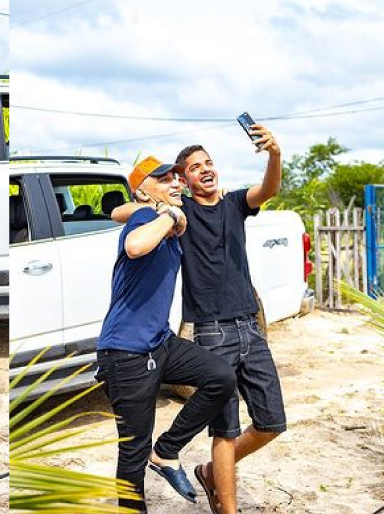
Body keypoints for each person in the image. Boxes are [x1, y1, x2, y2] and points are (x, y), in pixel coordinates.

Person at [114, 124, 285, 514]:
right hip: (210, 331)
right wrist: (166, 207)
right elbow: (119, 212)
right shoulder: (179, 213)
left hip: (250, 327)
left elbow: (269, 189)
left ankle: (210, 474)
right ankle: (228, 508)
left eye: (209, 163)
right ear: (185, 181)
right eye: (193, 167)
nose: (205, 169)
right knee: (225, 430)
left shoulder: (235, 203)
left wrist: (274, 153)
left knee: (272, 422)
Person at [97, 156, 236, 513]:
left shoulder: (158, 216)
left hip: (159, 343)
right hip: (125, 352)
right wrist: (170, 215)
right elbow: (135, 246)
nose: (175, 183)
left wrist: (172, 214)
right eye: (164, 179)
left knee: (220, 377)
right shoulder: (150, 218)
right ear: (143, 190)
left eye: (176, 178)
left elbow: (118, 212)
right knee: (132, 450)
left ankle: (167, 450)